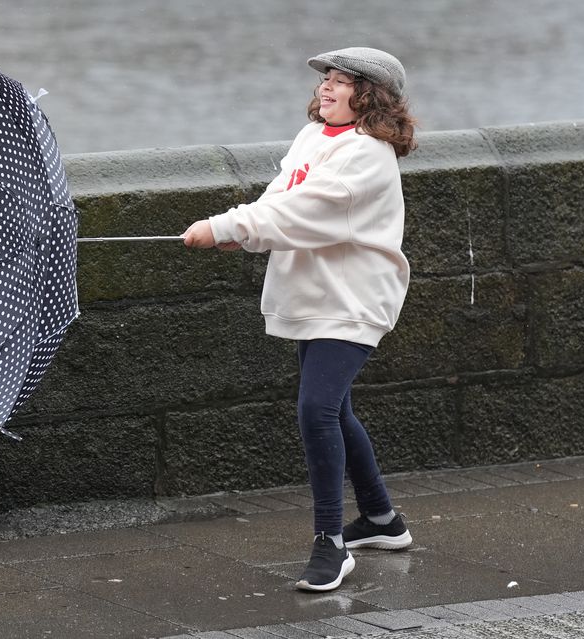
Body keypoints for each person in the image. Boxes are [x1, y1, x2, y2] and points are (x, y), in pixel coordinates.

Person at [182, 47, 417, 592]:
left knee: (316, 409)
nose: (327, 90)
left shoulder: (368, 155)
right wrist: (238, 233)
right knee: (335, 409)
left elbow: (303, 212)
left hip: (352, 299)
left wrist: (224, 225)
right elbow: (279, 200)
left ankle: (331, 544)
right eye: (326, 81)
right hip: (314, 294)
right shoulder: (312, 137)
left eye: (341, 82)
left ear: (371, 97)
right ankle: (382, 520)